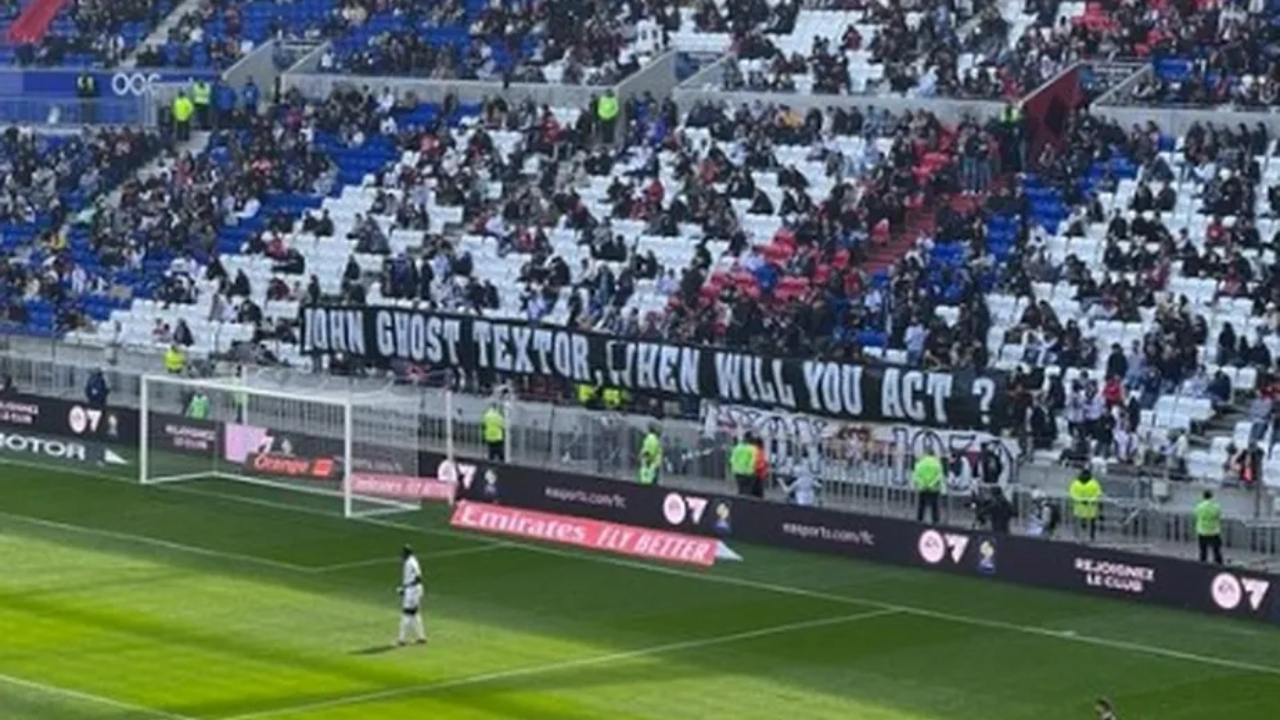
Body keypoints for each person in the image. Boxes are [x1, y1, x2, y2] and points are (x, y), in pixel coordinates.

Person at [397, 545, 426, 646]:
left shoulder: (410, 563)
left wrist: (407, 589)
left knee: (406, 614)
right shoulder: (412, 561)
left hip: (412, 591)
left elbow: (417, 578)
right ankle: (421, 637)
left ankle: (402, 640)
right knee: (415, 614)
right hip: (414, 590)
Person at [1069, 469, 1102, 542]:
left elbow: (1098, 494)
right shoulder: (1077, 483)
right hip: (1083, 509)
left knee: (1089, 525)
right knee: (1082, 524)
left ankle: (1087, 537)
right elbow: (1072, 493)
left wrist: (1086, 500)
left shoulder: (1093, 483)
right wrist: (1084, 500)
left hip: (1086, 509)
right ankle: (1082, 537)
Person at [914, 449, 943, 524]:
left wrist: (923, 484)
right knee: (935, 507)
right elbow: (939, 476)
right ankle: (935, 522)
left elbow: (916, 475)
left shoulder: (920, 463)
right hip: (934, 488)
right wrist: (931, 484)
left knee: (921, 506)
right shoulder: (937, 463)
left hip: (923, 488)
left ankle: (919, 521)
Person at [1195, 489, 1224, 564]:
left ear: (1203, 497)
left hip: (1202, 532)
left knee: (1203, 551)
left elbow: (1196, 515)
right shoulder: (1216, 506)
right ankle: (1219, 565)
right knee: (1216, 551)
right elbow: (1218, 516)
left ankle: (1202, 565)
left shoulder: (1199, 506)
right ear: (1211, 496)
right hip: (1214, 532)